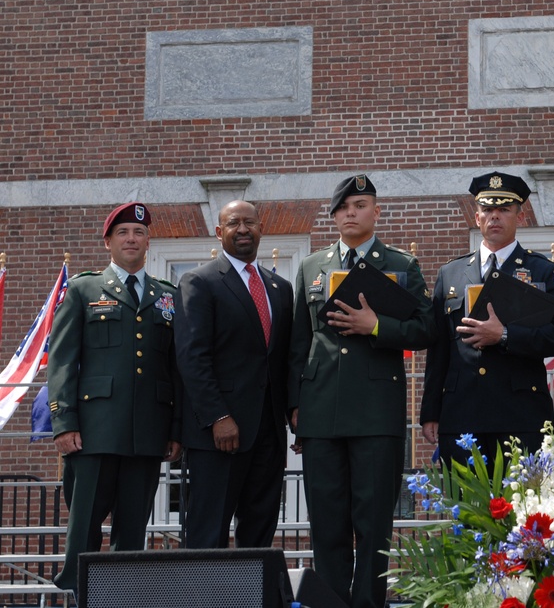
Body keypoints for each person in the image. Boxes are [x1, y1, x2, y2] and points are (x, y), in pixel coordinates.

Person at [288, 174, 435, 608]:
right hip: (321, 412)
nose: (351, 214)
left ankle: (370, 604)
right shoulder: (312, 266)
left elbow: (427, 328)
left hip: (376, 412)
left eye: (360, 205)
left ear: (376, 210)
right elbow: (299, 342)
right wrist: (295, 405)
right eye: (343, 208)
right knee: (328, 521)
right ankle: (331, 602)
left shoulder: (401, 265)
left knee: (374, 524)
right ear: (334, 216)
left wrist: (378, 327)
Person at [48, 202, 183, 592]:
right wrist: (64, 421)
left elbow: (175, 369)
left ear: (148, 241)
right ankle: (79, 597)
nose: (131, 239)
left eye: (139, 233)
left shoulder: (167, 296)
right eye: (123, 232)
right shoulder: (83, 289)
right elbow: (61, 362)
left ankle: (122, 597)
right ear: (108, 241)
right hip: (93, 432)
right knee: (84, 530)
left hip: (147, 433)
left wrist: (174, 428)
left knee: (131, 534)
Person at [420, 171, 554, 469]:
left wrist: (505, 335)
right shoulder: (449, 274)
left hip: (519, 414)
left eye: (504, 210)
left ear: (519, 216)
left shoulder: (542, 271)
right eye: (488, 210)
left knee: (522, 511)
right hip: (461, 414)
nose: (495, 217)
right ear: (477, 217)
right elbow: (438, 349)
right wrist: (430, 411)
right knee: (466, 509)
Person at [174, 200, 293, 549]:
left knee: (259, 533)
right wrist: (218, 416)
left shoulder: (280, 288)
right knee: (208, 533)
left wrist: (295, 417)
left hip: (269, 434)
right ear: (219, 232)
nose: (242, 229)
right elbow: (192, 358)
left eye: (249, 223)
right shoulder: (199, 282)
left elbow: (286, 359)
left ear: (261, 228)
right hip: (220, 435)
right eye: (233, 223)